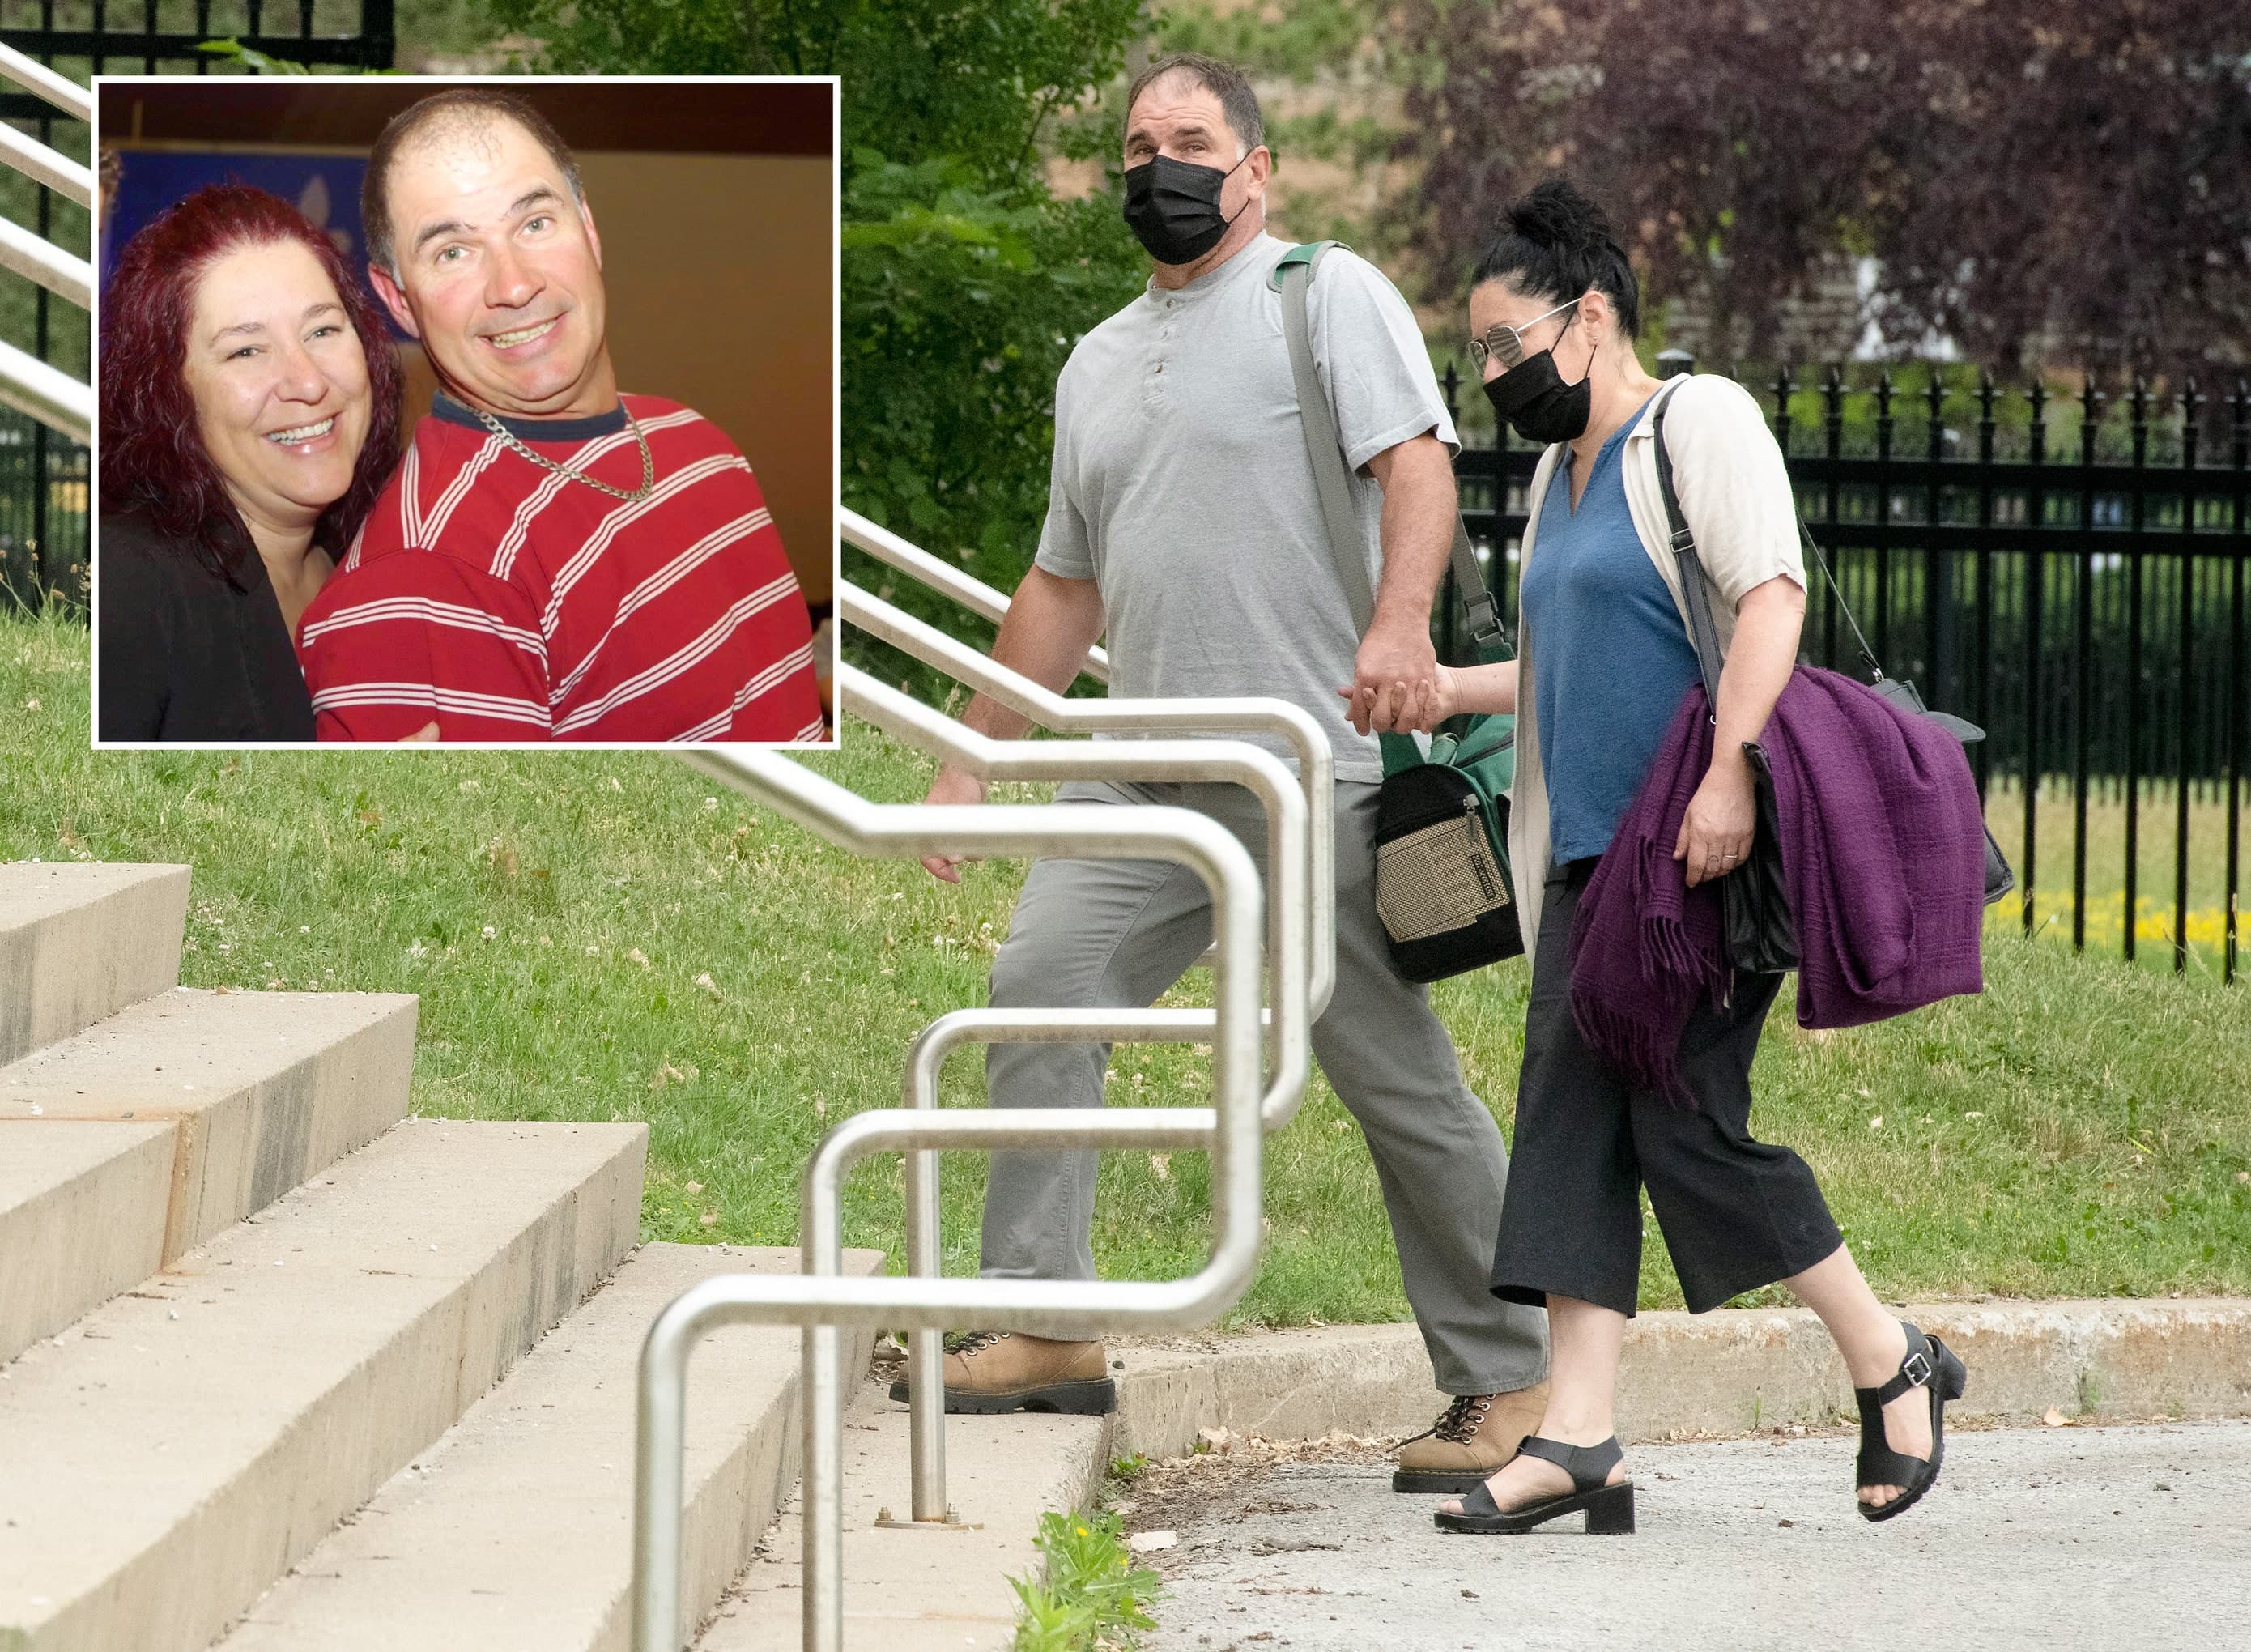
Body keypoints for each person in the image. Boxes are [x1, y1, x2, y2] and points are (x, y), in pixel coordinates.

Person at [900, 53, 1552, 1493]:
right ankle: (1045, 1324)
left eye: (1191, 140)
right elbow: (1062, 590)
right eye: (1138, 144)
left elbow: (1417, 464)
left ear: (1256, 167)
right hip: (1145, 771)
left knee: (1388, 1071)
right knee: (1040, 987)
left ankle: (1513, 1379)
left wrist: (1398, 626)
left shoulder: (1322, 297)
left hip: (1310, 768)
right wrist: (968, 758)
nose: (1161, 166)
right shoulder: (1098, 361)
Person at [1395, 179, 1965, 1536]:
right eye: (1476, 352)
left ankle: (1893, 1360)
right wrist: (1440, 690)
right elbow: (1567, 661)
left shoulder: (1696, 422)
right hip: (1586, 863)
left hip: (1691, 862)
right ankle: (1579, 1436)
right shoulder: (1557, 470)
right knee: (1573, 1136)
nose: (1492, 372)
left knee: (1689, 1129)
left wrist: (1727, 779)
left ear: (1589, 317)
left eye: (1504, 341)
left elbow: (1773, 596)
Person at [296, 89, 823, 743]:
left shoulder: (699, 445)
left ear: (590, 232)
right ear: (399, 301)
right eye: (452, 252)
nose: (514, 285)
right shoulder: (425, 576)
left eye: (535, 223)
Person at [98, 185, 402, 741]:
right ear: (170, 392)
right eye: (246, 350)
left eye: (323, 330)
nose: (309, 382)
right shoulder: (129, 587)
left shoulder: (384, 558)